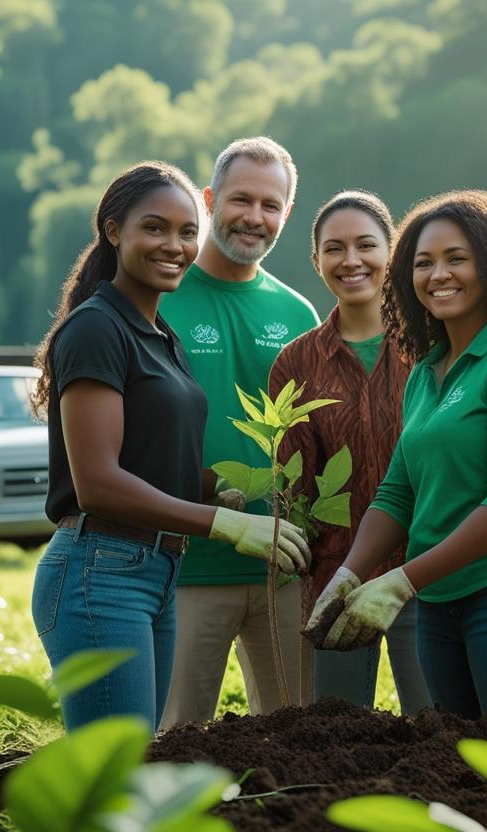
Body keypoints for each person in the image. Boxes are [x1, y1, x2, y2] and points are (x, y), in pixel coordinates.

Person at [31, 161, 310, 732]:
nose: (175, 246)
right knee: (118, 767)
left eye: (187, 232)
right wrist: (224, 524)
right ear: (114, 231)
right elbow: (98, 483)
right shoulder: (95, 329)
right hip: (99, 571)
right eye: (155, 228)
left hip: (155, 566)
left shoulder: (159, 335)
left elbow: (157, 456)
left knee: (153, 759)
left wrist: (221, 489)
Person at [317, 189, 487, 760]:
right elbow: (398, 493)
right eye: (423, 263)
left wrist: (403, 581)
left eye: (456, 258)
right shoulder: (427, 373)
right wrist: (351, 573)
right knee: (455, 773)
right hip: (439, 604)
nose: (438, 275)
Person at [158, 137, 322, 727]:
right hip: (185, 567)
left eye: (271, 205)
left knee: (295, 737)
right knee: (176, 738)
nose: (255, 217)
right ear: (207, 201)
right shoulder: (160, 299)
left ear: (286, 215)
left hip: (283, 570)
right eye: (240, 200)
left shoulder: (299, 314)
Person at [269, 190, 433, 714]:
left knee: (439, 729)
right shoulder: (295, 363)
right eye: (334, 248)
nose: (351, 260)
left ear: (393, 253)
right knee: (337, 732)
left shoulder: (436, 347)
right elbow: (291, 488)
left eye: (366, 245)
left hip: (428, 573)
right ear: (316, 261)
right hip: (337, 578)